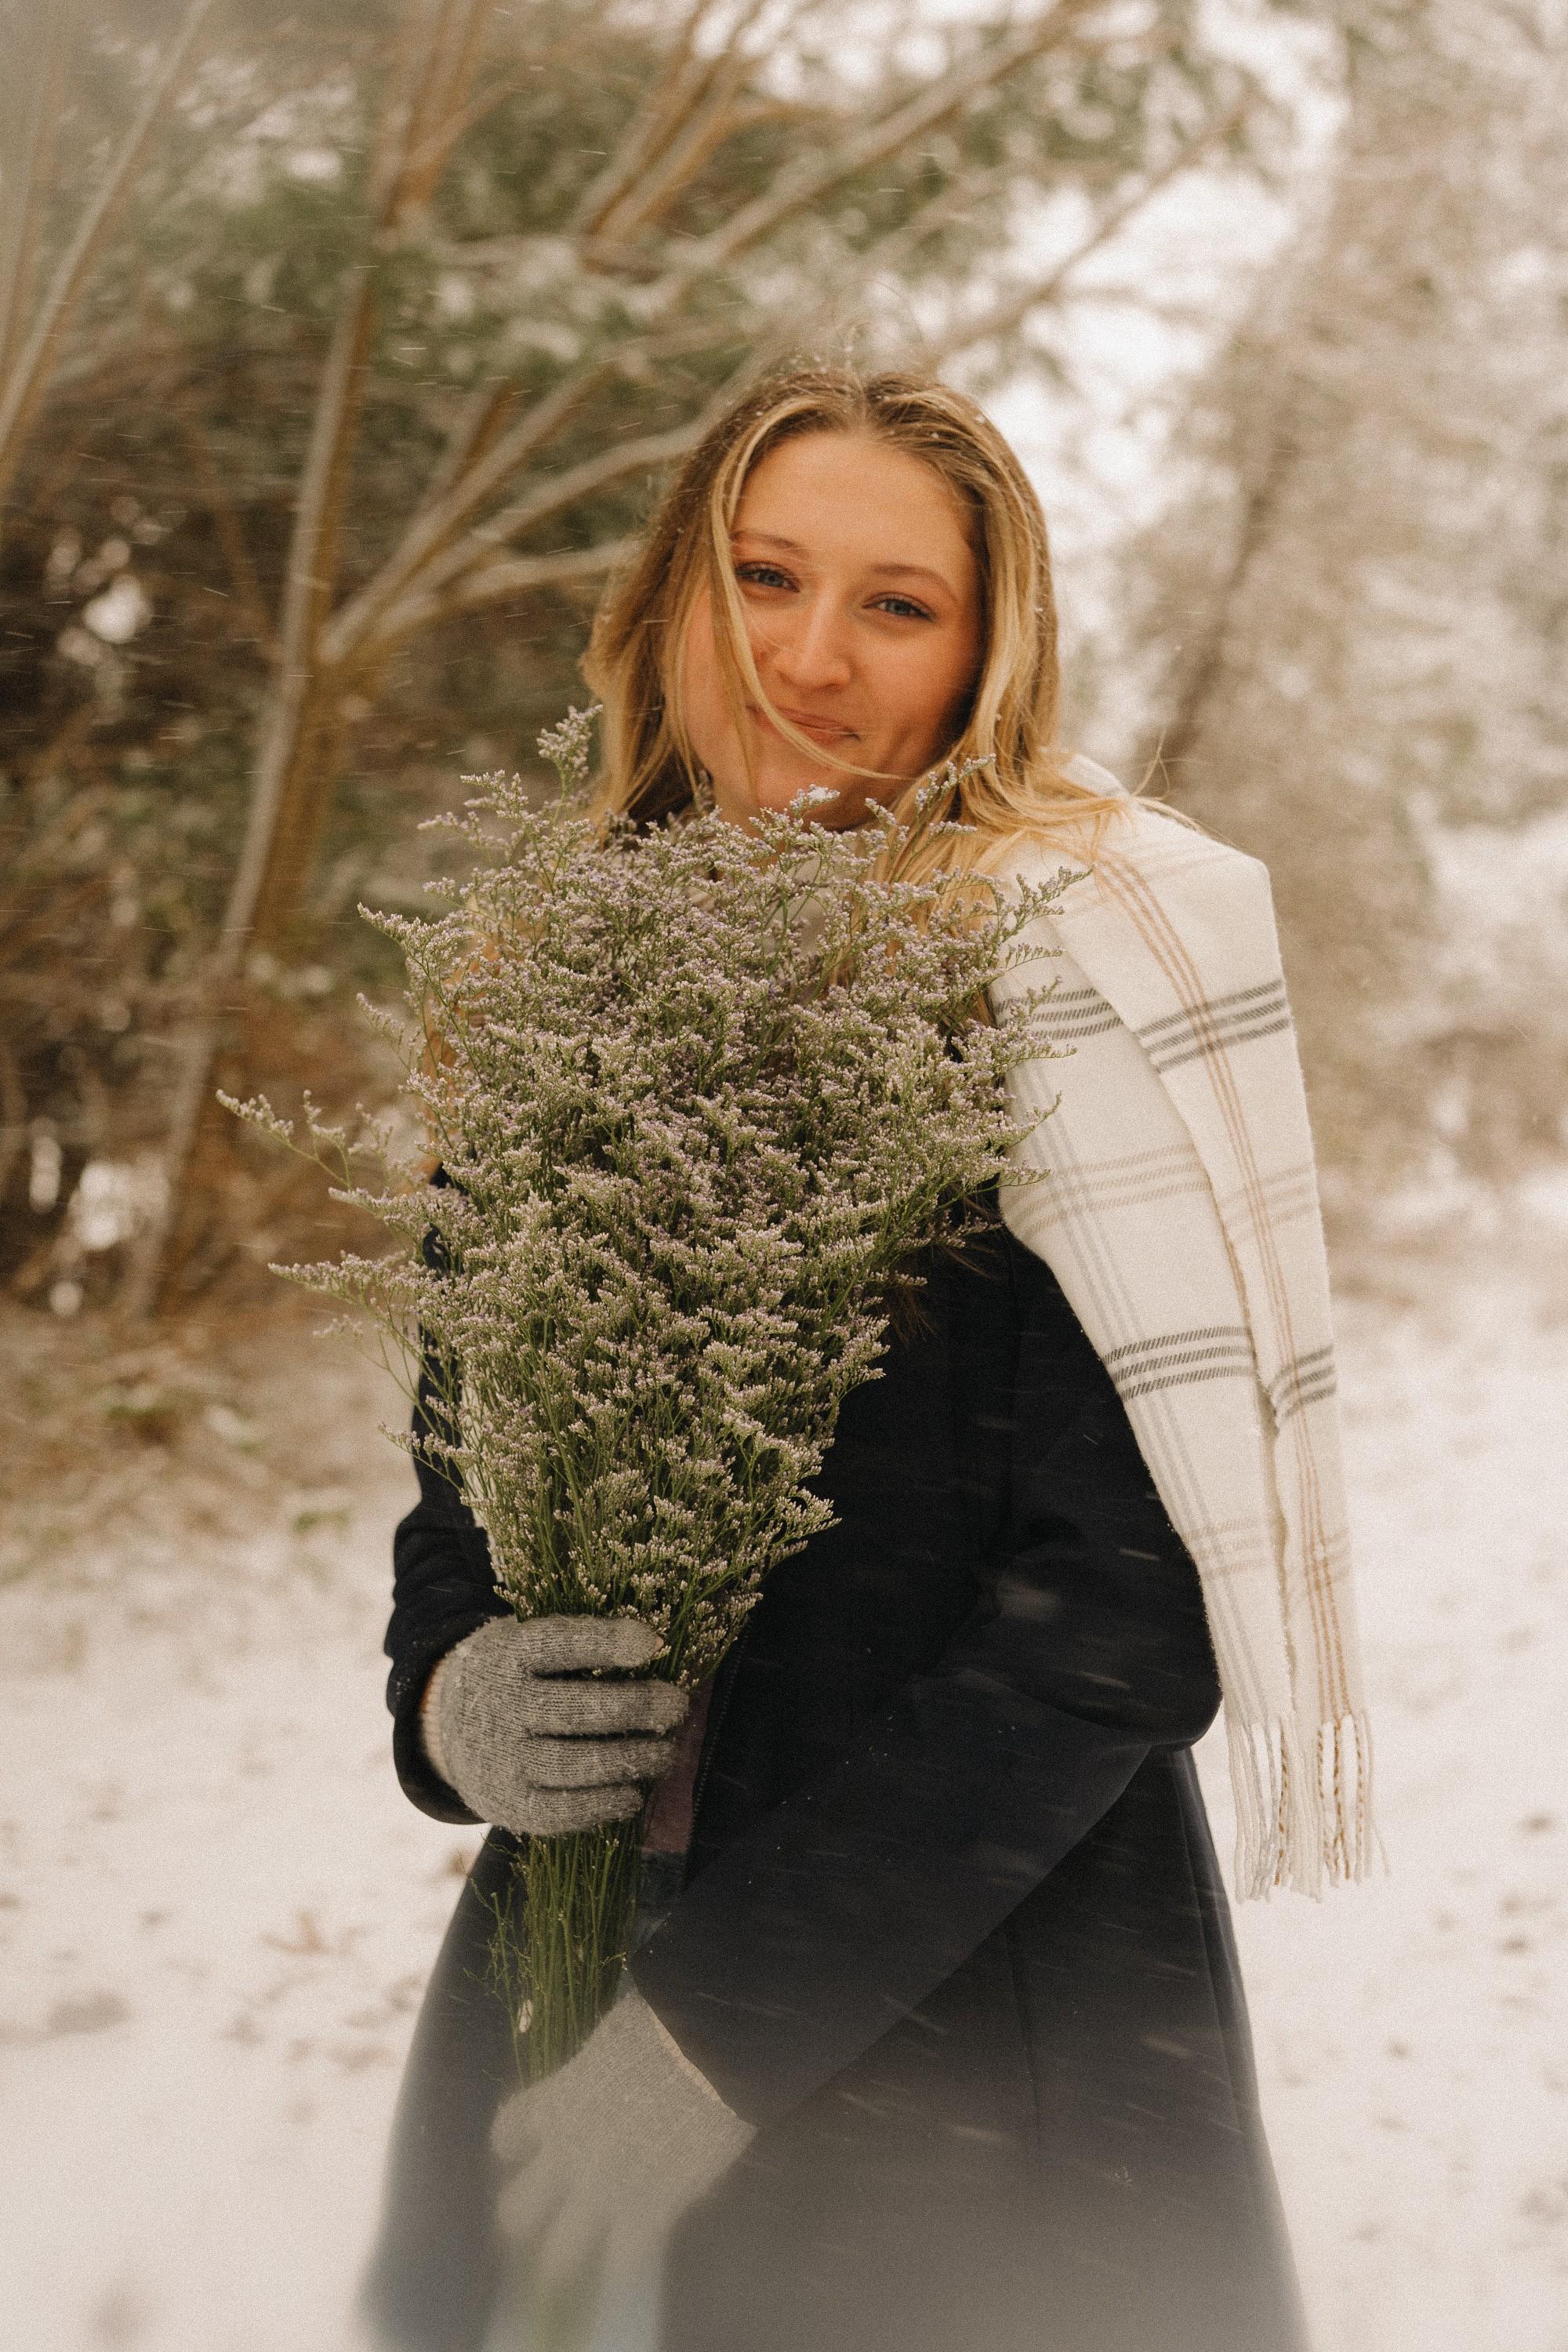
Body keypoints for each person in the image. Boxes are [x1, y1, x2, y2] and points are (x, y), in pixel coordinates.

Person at [360, 366, 1377, 2352]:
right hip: (560, 1982)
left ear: (990, 652)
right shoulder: (559, 974)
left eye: (897, 606)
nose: (810, 659)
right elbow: (461, 1483)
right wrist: (454, 1695)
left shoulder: (1070, 974)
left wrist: (725, 2029)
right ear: (673, 595)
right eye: (764, 575)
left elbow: (1129, 1607)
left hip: (970, 2032)